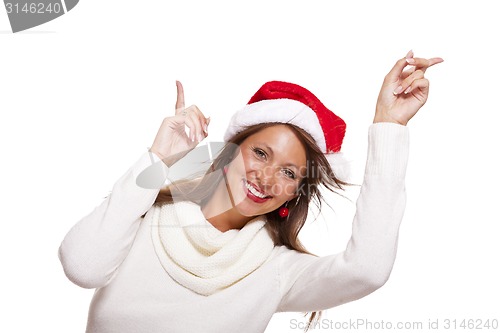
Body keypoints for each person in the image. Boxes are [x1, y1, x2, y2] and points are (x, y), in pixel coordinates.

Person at [58, 50, 443, 332]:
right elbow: (81, 265)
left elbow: (368, 270)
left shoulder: (276, 272)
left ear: (295, 192)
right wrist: (159, 158)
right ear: (230, 152)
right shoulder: (141, 216)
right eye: (261, 152)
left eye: (289, 172)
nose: (266, 177)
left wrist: (389, 127)